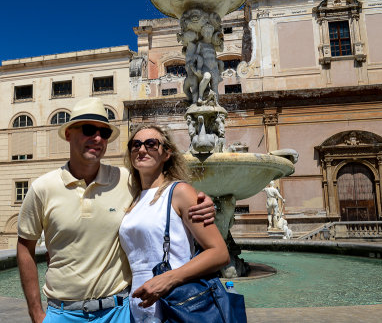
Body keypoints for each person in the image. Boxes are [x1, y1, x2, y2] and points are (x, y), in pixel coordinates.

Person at [17, 98, 216, 323]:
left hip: (118, 312)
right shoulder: (42, 188)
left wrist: (203, 201)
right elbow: (25, 246)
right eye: (89, 130)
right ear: (69, 134)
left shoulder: (126, 180)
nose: (98, 138)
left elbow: (163, 189)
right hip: (61, 314)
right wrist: (36, 313)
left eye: (104, 133)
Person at [119, 124, 230, 322]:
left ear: (166, 153)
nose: (142, 149)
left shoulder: (179, 192)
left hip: (177, 303)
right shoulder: (132, 198)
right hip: (139, 306)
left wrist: (168, 279)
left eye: (151, 144)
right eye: (135, 145)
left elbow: (219, 253)